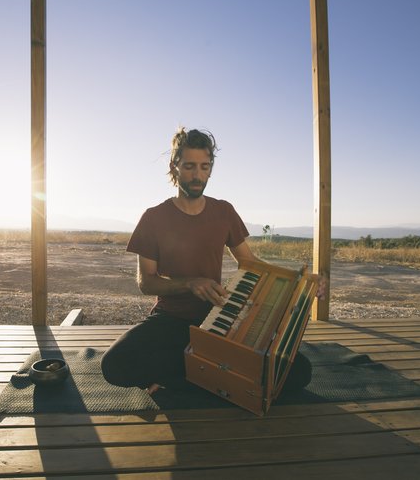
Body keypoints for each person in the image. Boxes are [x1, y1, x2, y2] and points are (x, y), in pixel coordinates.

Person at [101, 127, 312, 395]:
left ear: (211, 168)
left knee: (299, 371)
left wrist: (302, 284)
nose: (198, 174)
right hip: (170, 319)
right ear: (174, 166)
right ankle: (214, 374)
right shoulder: (153, 217)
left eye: (204, 166)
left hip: (219, 315)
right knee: (114, 365)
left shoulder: (224, 211)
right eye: (189, 166)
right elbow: (146, 283)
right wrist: (189, 283)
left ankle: (189, 375)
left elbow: (249, 262)